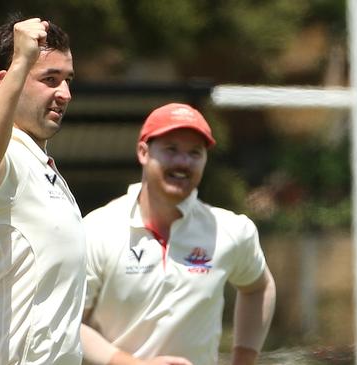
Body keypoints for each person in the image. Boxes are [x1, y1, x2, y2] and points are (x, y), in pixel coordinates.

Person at [79, 103, 277, 365]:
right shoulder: (97, 229)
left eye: (195, 153)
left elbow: (259, 287)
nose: (183, 162)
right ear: (143, 152)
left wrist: (244, 359)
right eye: (171, 150)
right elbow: (69, 322)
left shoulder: (232, 230)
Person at [0, 13, 86, 365]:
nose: (65, 94)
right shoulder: (3, 155)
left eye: (67, 80)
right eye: (50, 79)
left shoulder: (44, 168)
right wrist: (23, 57)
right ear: (8, 81)